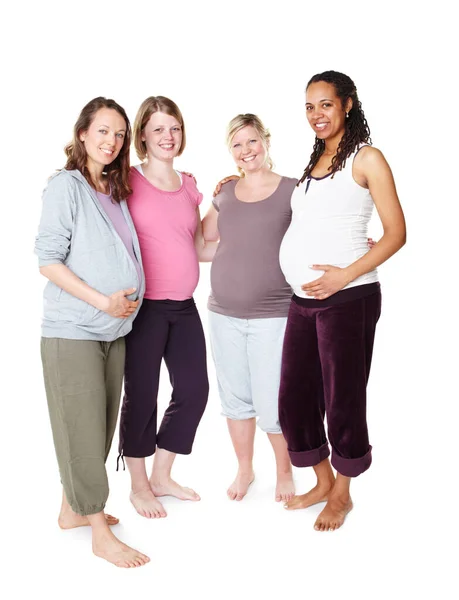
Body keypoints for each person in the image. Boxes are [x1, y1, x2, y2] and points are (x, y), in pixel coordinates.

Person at [278, 70, 406, 531]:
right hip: (302, 300)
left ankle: (343, 494)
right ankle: (322, 479)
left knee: (343, 398)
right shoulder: (313, 165)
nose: (317, 114)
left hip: (349, 298)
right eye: (310, 107)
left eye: (326, 104)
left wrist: (345, 275)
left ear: (347, 104)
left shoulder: (367, 158)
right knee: (294, 397)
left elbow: (397, 234)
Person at [35, 97, 149, 567]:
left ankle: (71, 511)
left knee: (98, 429)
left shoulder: (113, 190)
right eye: (103, 131)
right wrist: (104, 300)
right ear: (82, 133)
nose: (112, 141)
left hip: (112, 331)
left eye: (120, 134)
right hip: (74, 331)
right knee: (80, 431)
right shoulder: (67, 186)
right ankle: (99, 529)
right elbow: (47, 261)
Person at [118, 96, 215, 519]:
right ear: (142, 135)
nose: (167, 136)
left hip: (185, 307)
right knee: (141, 396)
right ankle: (138, 485)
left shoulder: (190, 185)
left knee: (194, 391)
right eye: (158, 129)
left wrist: (239, 218)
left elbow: (196, 248)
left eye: (173, 127)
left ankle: (161, 475)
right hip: (144, 309)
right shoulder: (127, 180)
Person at [202, 114, 297, 503]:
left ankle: (285, 472)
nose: (246, 151)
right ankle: (245, 469)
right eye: (237, 145)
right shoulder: (225, 193)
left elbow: (315, 237)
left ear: (266, 141)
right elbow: (205, 242)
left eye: (252, 141)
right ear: (231, 152)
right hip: (223, 311)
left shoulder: (294, 190)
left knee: (272, 400)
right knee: (235, 397)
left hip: (273, 314)